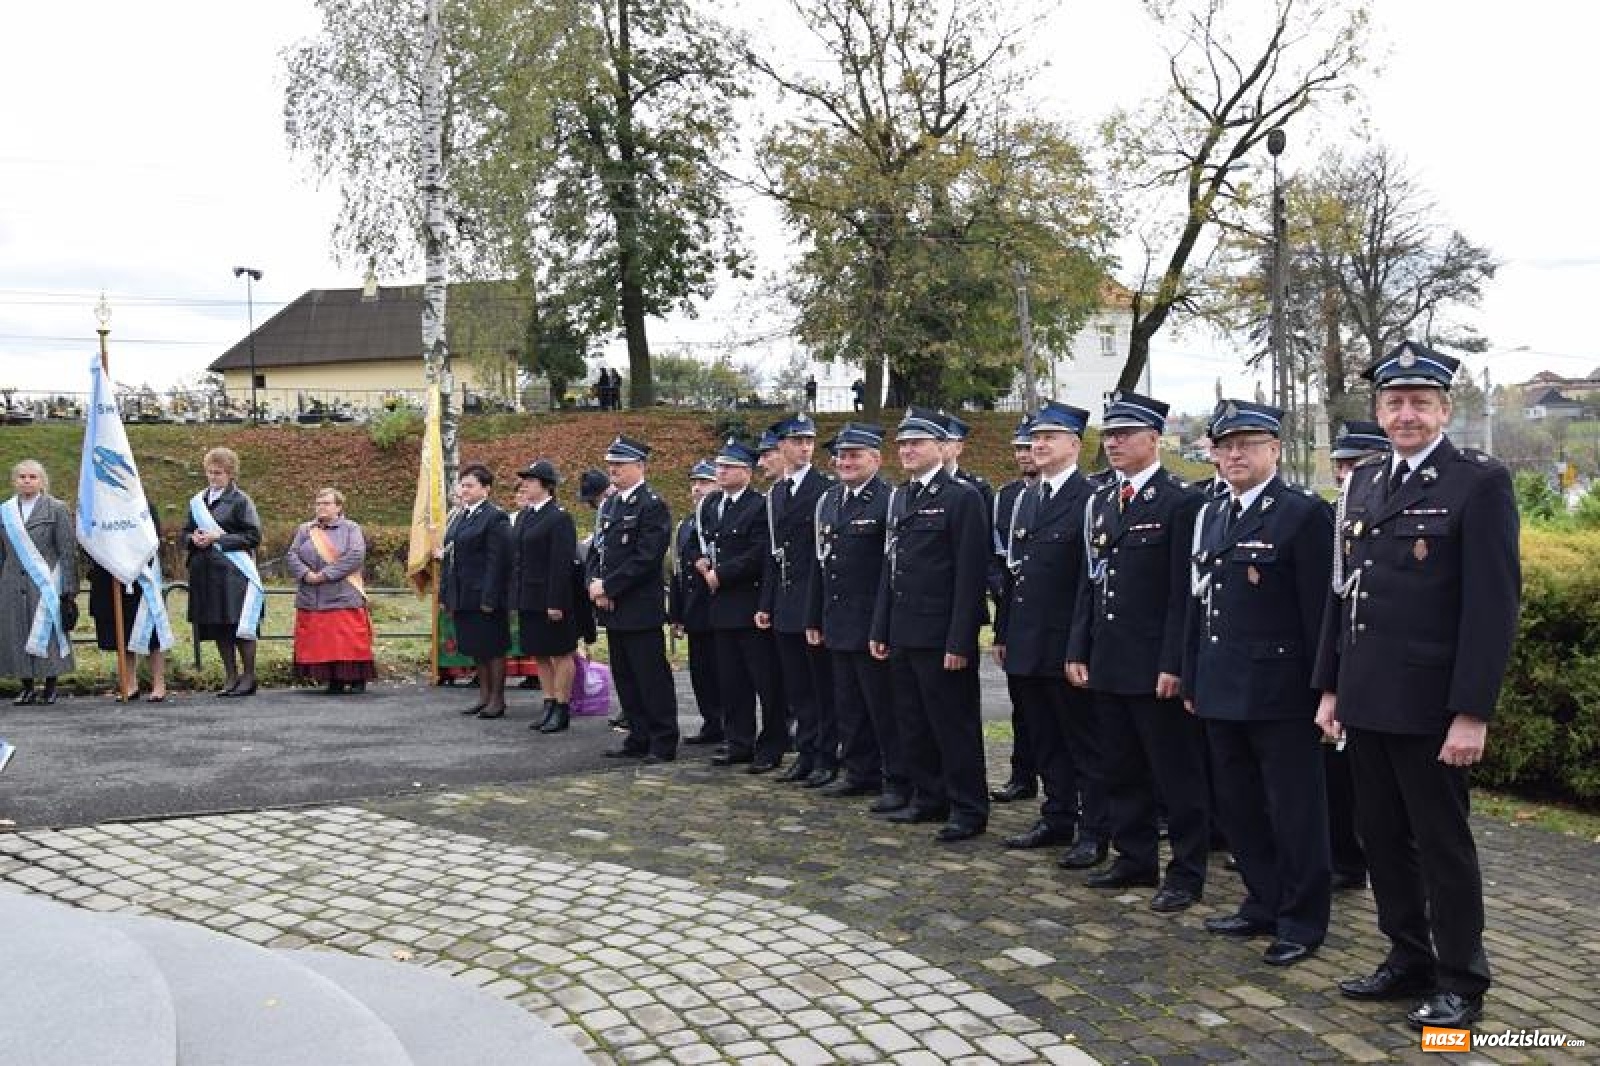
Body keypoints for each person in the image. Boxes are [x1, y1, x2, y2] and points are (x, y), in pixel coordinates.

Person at [1315, 342, 1520, 1030]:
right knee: (1379, 838)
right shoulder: (1364, 480)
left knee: (1442, 846)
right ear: (1378, 411)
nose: (1406, 414)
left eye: (1419, 403)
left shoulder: (1478, 482)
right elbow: (1343, 594)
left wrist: (1472, 713)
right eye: (1394, 403)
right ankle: (1407, 956)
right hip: (1367, 698)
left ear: (1444, 410)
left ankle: (1461, 980)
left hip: (1431, 707)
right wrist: (1331, 689)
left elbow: (1491, 608)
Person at [1183, 401, 1333, 968]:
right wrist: (1193, 673)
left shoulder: (1302, 514)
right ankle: (1263, 900)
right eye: (1225, 446)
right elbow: (1200, 604)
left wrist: (1325, 689)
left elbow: (1321, 614)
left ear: (1274, 448)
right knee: (1239, 807)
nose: (1234, 455)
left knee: (1294, 811)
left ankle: (1302, 919)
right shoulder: (1213, 513)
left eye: (1247, 444)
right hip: (1221, 686)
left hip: (1281, 693)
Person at [1067, 391, 1209, 913]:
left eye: (1125, 435)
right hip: (1109, 658)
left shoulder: (1180, 501)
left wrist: (1174, 662)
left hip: (1155, 665)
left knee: (1176, 774)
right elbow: (1091, 582)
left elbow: (1183, 594)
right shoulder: (1103, 500)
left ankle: (1186, 872)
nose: (1114, 443)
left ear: (1154, 439)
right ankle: (1134, 857)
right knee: (1120, 766)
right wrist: (1078, 646)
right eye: (1109, 435)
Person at [994, 402, 1109, 871]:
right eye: (1035, 438)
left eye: (1050, 437)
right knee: (1044, 738)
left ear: (1074, 445)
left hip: (1066, 644)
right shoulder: (1026, 499)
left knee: (1084, 743)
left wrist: (1080, 647)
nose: (1038, 445)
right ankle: (1057, 815)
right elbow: (1013, 575)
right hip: (1026, 641)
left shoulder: (1091, 498)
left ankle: (1095, 830)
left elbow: (1090, 582)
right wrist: (1003, 632)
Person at [869, 407, 991, 843]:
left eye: (916, 443)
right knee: (913, 721)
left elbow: (970, 576)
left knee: (953, 725)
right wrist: (880, 627)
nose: (906, 450)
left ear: (941, 447)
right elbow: (892, 568)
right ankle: (928, 796)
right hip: (904, 629)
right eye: (902, 444)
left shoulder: (962, 498)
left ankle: (968, 808)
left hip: (941, 635)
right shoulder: (901, 497)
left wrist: (960, 640)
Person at [806, 423, 907, 810]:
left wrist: (882, 625)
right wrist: (814, 617)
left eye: (854, 456)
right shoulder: (830, 501)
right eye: (841, 456)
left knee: (883, 708)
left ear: (876, 459)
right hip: (837, 620)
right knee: (848, 704)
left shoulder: (888, 499)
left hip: (871, 623)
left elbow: (890, 571)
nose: (845, 462)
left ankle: (895, 779)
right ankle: (858, 771)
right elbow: (820, 564)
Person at [1322, 419, 1390, 892]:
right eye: (1341, 464)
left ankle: (1361, 862)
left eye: (1355, 464)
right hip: (1340, 664)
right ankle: (1343, 858)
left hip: (1381, 668)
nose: (1345, 473)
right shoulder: (1331, 515)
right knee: (1336, 777)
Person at [696, 438, 787, 771]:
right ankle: (739, 741)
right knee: (732, 681)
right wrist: (702, 563)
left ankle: (772, 744)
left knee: (766, 682)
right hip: (721, 607)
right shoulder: (712, 505)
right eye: (719, 466)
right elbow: (704, 542)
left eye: (728, 467)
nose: (720, 472)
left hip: (749, 604)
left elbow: (760, 552)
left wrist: (722, 573)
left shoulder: (759, 505)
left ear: (746, 472)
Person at [758, 413, 839, 787]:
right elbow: (773, 554)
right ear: (781, 447)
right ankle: (805, 753)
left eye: (809, 441)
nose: (805, 448)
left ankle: (826, 755)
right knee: (797, 687)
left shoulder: (825, 489)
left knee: (821, 686)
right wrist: (766, 603)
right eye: (797, 441)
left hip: (814, 599)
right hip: (786, 600)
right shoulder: (776, 493)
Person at [588, 435, 678, 762]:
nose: (613, 469)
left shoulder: (652, 505)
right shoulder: (610, 504)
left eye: (620, 464)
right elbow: (597, 550)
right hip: (612, 607)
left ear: (639, 466)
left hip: (639, 607)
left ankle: (663, 739)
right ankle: (638, 735)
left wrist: (609, 587)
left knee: (650, 677)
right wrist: (594, 584)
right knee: (625, 677)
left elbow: (646, 558)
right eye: (611, 464)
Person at [184, 447, 263, 698]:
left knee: (239, 625)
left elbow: (253, 536)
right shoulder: (198, 501)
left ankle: (248, 676)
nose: (212, 477)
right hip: (205, 573)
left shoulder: (240, 501)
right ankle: (230, 675)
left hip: (233, 574)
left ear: (230, 474)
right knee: (218, 626)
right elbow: (185, 530)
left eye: (218, 473)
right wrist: (192, 538)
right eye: (209, 472)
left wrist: (219, 538)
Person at [991, 415, 1042, 805]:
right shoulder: (1008, 496)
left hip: (1050, 621)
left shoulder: (1086, 494)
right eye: (1020, 448)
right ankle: (1022, 775)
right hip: (1015, 610)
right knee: (1021, 707)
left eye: (1030, 446)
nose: (1025, 454)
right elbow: (999, 560)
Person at [509, 459, 582, 733]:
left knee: (560, 653)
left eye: (531, 481)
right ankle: (548, 703)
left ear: (547, 486)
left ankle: (562, 707)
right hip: (528, 596)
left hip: (551, 598)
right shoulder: (526, 516)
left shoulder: (559, 518)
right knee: (539, 653)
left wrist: (556, 601)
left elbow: (561, 564)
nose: (525, 485)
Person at [0, 460, 76, 706]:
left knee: (50, 633)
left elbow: (67, 550)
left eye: (32, 476)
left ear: (42, 481)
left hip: (46, 581)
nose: (27, 480)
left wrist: (69, 589)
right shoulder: (5, 511)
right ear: (14, 481)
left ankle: (50, 686)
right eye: (22, 476)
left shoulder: (56, 509)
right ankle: (27, 687)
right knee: (18, 633)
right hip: (12, 582)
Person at [286, 487, 375, 695]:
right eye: (318, 503)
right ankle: (333, 679)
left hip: (342, 595)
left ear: (338, 507)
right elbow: (292, 555)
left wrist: (325, 575)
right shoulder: (305, 530)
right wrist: (306, 574)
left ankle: (356, 678)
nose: (321, 507)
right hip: (312, 595)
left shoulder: (351, 528)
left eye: (326, 503)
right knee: (323, 642)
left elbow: (355, 555)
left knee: (348, 640)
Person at [441, 464, 511, 718]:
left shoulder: (495, 517)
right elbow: (451, 556)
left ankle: (497, 699)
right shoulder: (461, 515)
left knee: (492, 647)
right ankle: (484, 696)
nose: (464, 490)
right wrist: (446, 594)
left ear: (486, 489)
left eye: (470, 485)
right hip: (463, 594)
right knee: (476, 648)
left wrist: (490, 597)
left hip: (484, 595)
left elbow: (498, 561)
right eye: (462, 485)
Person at [87, 496, 168, 702]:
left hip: (139, 574)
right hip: (109, 575)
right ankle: (130, 684)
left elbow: (153, 538)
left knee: (151, 634)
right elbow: (87, 538)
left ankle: (159, 684)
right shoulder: (98, 503)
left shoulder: (142, 503)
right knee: (121, 633)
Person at [671, 460, 724, 746]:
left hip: (717, 606)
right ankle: (711, 722)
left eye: (704, 482)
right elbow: (679, 572)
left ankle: (728, 723)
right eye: (694, 482)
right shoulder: (686, 525)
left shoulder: (721, 518)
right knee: (701, 673)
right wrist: (677, 613)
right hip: (694, 608)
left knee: (722, 672)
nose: (697, 488)